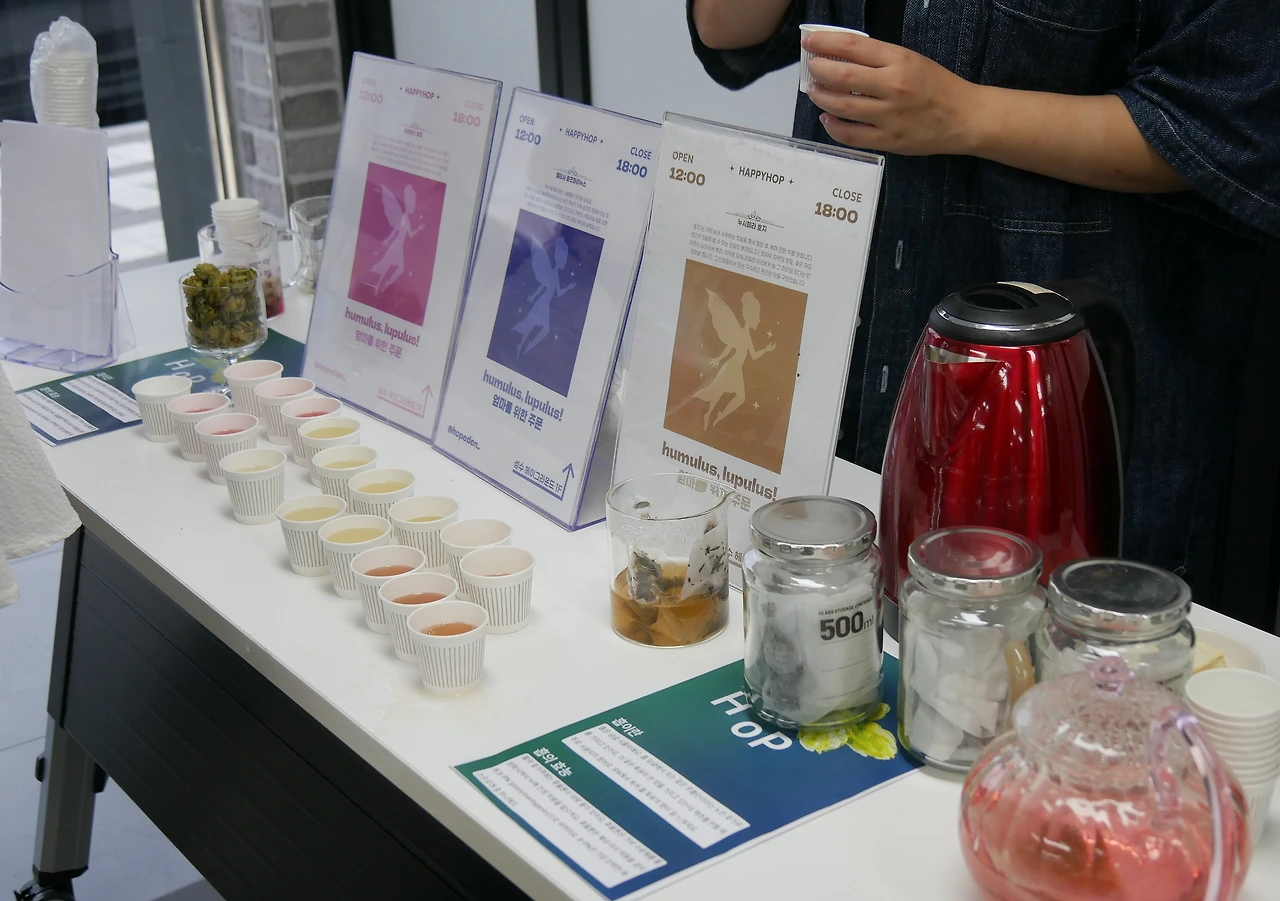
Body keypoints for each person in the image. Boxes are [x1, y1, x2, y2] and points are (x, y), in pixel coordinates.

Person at [687, 0, 1280, 591]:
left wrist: (963, 115)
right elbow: (723, 27)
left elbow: (1226, 130)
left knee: (1037, 618)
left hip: (1058, 357)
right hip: (843, 329)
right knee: (832, 602)